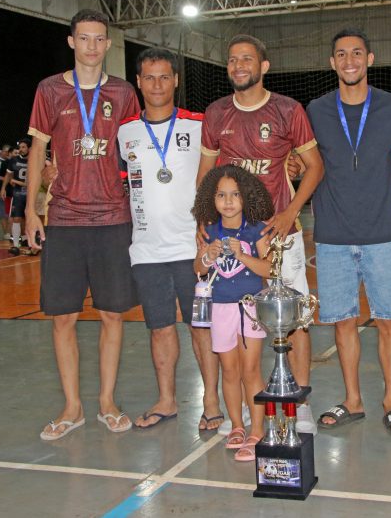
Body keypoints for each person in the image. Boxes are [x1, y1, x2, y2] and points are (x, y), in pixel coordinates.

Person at [197, 34, 324, 433]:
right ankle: (240, 416)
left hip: (278, 234)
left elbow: (315, 166)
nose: (238, 66)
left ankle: (298, 401)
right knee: (234, 321)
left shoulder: (288, 109)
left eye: (247, 59)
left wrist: (289, 213)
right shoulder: (216, 113)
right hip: (233, 241)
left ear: (263, 66)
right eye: (232, 60)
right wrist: (203, 227)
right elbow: (206, 176)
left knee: (295, 317)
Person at [25, 9, 141, 441]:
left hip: (114, 218)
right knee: (63, 318)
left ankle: (106, 402)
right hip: (66, 219)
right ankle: (72, 406)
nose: (92, 46)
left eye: (99, 39)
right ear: (72, 42)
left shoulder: (124, 93)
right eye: (85, 38)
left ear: (108, 45)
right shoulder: (49, 90)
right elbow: (38, 151)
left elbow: (137, 149)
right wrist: (33, 208)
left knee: (113, 315)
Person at [309, 28, 391, 435]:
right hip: (332, 235)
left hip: (383, 233)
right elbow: (304, 159)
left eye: (357, 53)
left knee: (389, 321)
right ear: (332, 62)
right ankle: (353, 399)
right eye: (341, 54)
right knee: (343, 322)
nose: (349, 60)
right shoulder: (316, 110)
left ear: (370, 59)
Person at [117, 47, 222, 431]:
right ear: (139, 83)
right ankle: (167, 400)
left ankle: (211, 401)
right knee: (159, 327)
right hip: (145, 249)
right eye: (149, 77)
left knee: (201, 327)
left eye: (165, 77)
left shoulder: (199, 125)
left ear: (176, 80)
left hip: (193, 249)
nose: (157, 85)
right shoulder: (125, 133)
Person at [192, 164, 273, 461]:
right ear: (210, 199)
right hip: (220, 309)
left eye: (235, 194)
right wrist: (207, 255)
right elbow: (198, 269)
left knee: (250, 370)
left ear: (247, 196)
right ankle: (237, 425)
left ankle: (257, 429)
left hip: (250, 307)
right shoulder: (208, 231)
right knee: (229, 370)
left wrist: (242, 254)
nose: (228, 201)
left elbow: (270, 269)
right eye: (221, 195)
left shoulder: (257, 230)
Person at [1, 138, 31, 256]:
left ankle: (30, 242)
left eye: (24, 147)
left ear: (29, 148)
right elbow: (8, 175)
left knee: (29, 219)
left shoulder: (34, 160)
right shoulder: (13, 160)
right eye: (20, 147)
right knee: (16, 218)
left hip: (30, 193)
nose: (21, 149)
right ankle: (15, 245)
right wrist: (3, 188)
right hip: (18, 194)